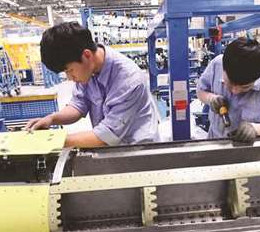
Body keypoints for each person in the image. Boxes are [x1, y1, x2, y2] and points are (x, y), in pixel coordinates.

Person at [26, 22, 160, 147]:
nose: (70, 78)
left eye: (69, 70)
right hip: (112, 147)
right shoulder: (87, 70)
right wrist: (52, 118)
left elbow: (107, 135)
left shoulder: (129, 80)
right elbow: (78, 105)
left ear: (87, 55)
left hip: (138, 150)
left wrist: (54, 141)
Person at [197, 37, 260, 144]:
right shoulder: (217, 64)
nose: (235, 91)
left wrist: (256, 129)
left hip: (251, 151)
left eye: (245, 87)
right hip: (214, 142)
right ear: (223, 68)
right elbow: (201, 91)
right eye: (230, 84)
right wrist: (210, 98)